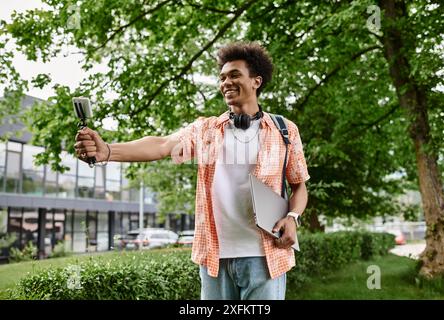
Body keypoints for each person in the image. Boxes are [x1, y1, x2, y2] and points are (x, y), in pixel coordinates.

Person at [74, 41, 310, 300]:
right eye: (222, 78)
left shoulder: (284, 130)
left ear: (256, 81)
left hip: (266, 256)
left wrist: (293, 216)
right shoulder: (206, 129)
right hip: (214, 259)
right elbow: (162, 145)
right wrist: (107, 150)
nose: (226, 83)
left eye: (234, 75)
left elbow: (299, 185)